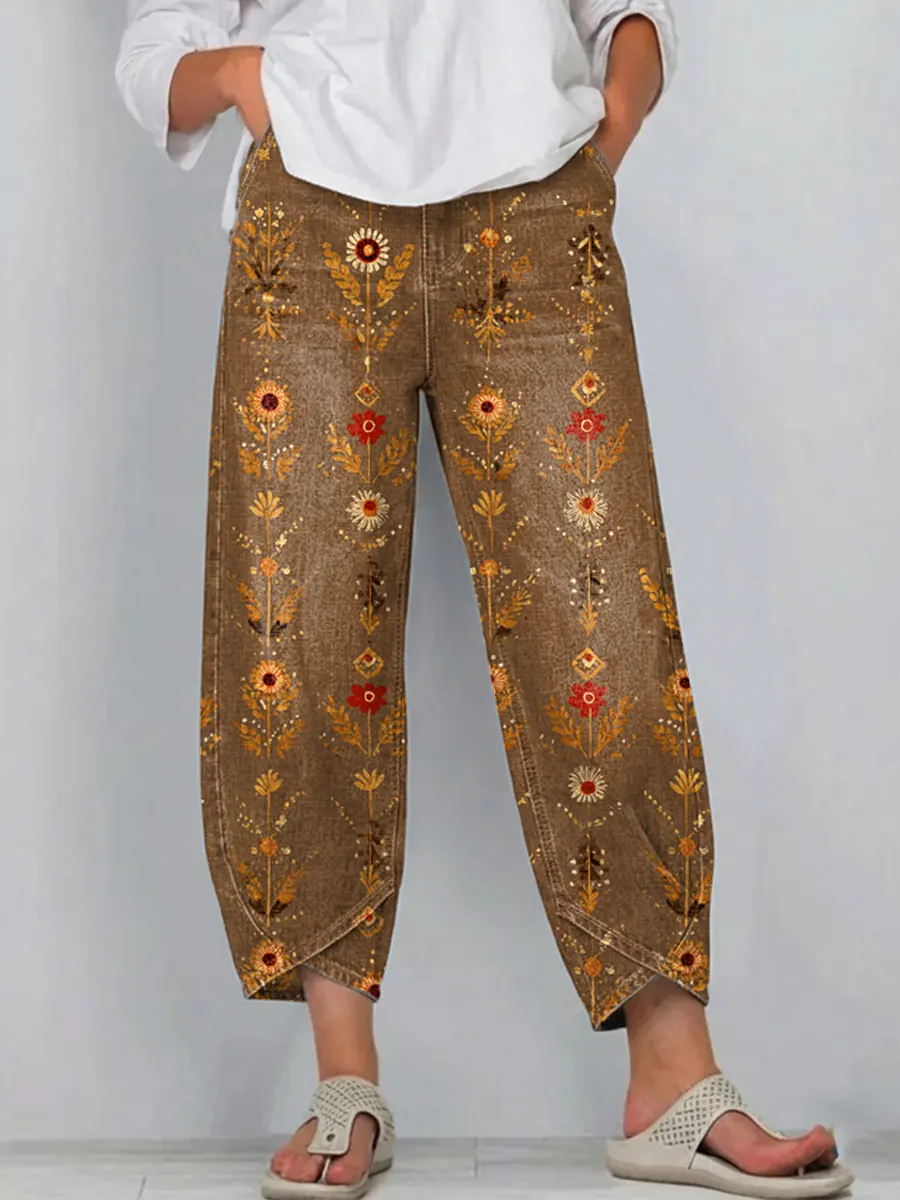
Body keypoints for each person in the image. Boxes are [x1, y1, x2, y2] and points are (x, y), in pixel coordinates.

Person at [116, 3, 852, 1197]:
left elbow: (628, 10)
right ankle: (345, 1079)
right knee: (304, 635)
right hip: (310, 221)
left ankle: (673, 1078)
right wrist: (253, 75)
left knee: (603, 626)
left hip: (537, 216)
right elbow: (155, 63)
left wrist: (616, 114)